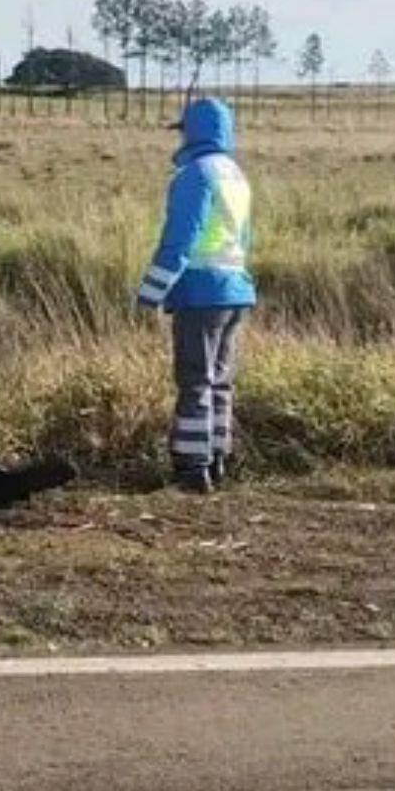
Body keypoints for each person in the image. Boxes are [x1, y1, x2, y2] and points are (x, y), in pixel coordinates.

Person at [135, 97, 256, 494]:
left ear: (193, 132)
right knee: (220, 381)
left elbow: (179, 242)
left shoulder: (194, 175)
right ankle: (217, 459)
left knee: (194, 381)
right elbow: (246, 238)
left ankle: (191, 469)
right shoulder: (235, 175)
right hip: (236, 289)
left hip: (201, 291)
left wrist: (150, 293)